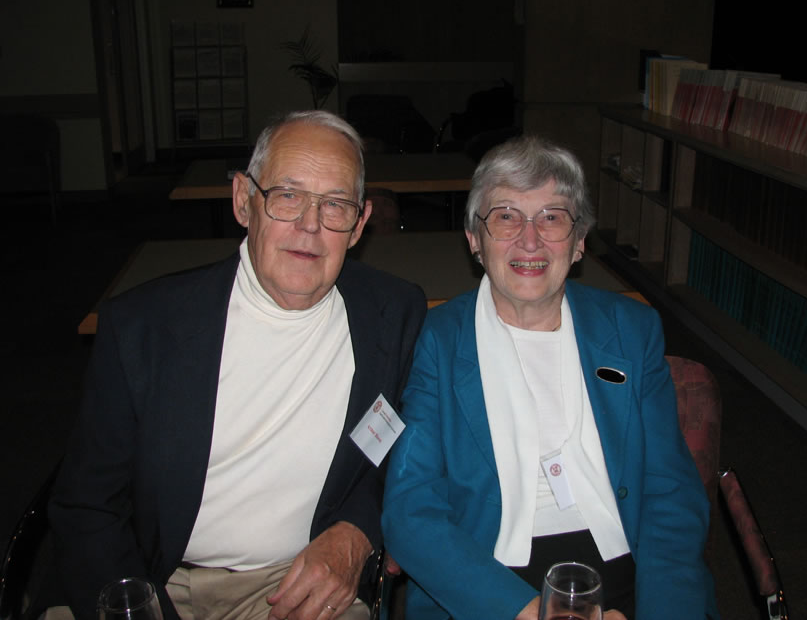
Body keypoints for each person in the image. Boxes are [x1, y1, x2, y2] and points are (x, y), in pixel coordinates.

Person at [48, 111, 426, 620]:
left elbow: (406, 450)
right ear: (243, 200)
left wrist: (358, 530)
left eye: (335, 204)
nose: (310, 225)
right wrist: (136, 606)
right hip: (155, 577)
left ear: (359, 225)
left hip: (294, 584)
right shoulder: (142, 328)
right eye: (287, 196)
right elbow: (88, 505)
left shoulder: (393, 314)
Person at [381, 136, 718, 620]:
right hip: (489, 582)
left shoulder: (631, 330)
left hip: (629, 573)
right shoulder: (437, 340)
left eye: (552, 218)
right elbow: (411, 508)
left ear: (579, 241)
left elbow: (670, 492)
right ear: (474, 239)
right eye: (506, 216)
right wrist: (528, 612)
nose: (530, 239)